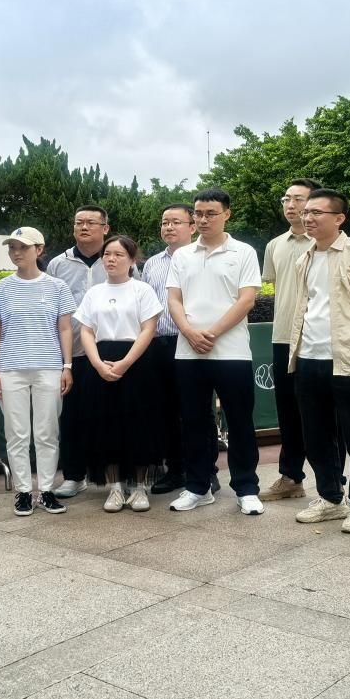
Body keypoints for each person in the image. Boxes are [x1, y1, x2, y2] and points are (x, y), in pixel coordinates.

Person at [289, 190, 350, 533]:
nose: (308, 218)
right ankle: (331, 498)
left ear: (339, 218)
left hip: (348, 359)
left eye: (317, 212)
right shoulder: (305, 258)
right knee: (316, 435)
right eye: (306, 212)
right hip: (308, 356)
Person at [166, 188, 265, 514]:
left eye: (211, 213)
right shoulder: (182, 255)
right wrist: (190, 332)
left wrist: (212, 332)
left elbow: (247, 299)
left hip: (232, 352)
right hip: (189, 352)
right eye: (198, 213)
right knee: (194, 421)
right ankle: (198, 486)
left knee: (239, 421)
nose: (203, 219)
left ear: (227, 214)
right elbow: (174, 299)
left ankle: (246, 488)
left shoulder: (243, 252)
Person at [0, 227, 77, 516]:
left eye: (22, 247)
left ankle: (46, 489)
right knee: (17, 433)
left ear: (39, 249)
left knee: (47, 432)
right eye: (12, 247)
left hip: (49, 367)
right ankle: (24, 491)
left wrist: (67, 366)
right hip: (11, 369)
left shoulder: (57, 287)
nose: (16, 253)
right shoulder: (0, 288)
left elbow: (65, 328)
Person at [77, 235, 164, 512]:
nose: (111, 259)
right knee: (106, 423)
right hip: (101, 362)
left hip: (137, 362)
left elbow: (148, 329)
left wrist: (126, 362)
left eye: (118, 254)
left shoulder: (142, 290)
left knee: (140, 423)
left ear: (132, 260)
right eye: (107, 254)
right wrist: (98, 364)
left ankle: (139, 488)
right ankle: (114, 488)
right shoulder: (94, 293)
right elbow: (86, 331)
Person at [259, 178, 322, 502]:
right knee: (287, 410)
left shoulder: (327, 243)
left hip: (319, 339)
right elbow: (271, 285)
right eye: (286, 198)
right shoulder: (275, 245)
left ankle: (332, 483)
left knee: (322, 412)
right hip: (283, 336)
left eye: (298, 198)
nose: (290, 204)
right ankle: (291, 476)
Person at [49, 205, 113, 497]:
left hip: (111, 353)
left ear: (105, 228)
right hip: (72, 353)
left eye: (91, 222)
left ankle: (113, 475)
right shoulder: (58, 264)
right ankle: (74, 476)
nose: (84, 227)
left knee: (110, 414)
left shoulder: (117, 259)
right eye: (79, 222)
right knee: (71, 416)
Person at [143, 203, 200, 495]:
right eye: (165, 222)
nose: (168, 227)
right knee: (165, 410)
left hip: (192, 342)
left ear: (192, 227)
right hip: (159, 344)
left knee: (196, 410)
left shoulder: (202, 258)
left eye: (176, 222)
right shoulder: (151, 264)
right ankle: (176, 470)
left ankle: (204, 471)